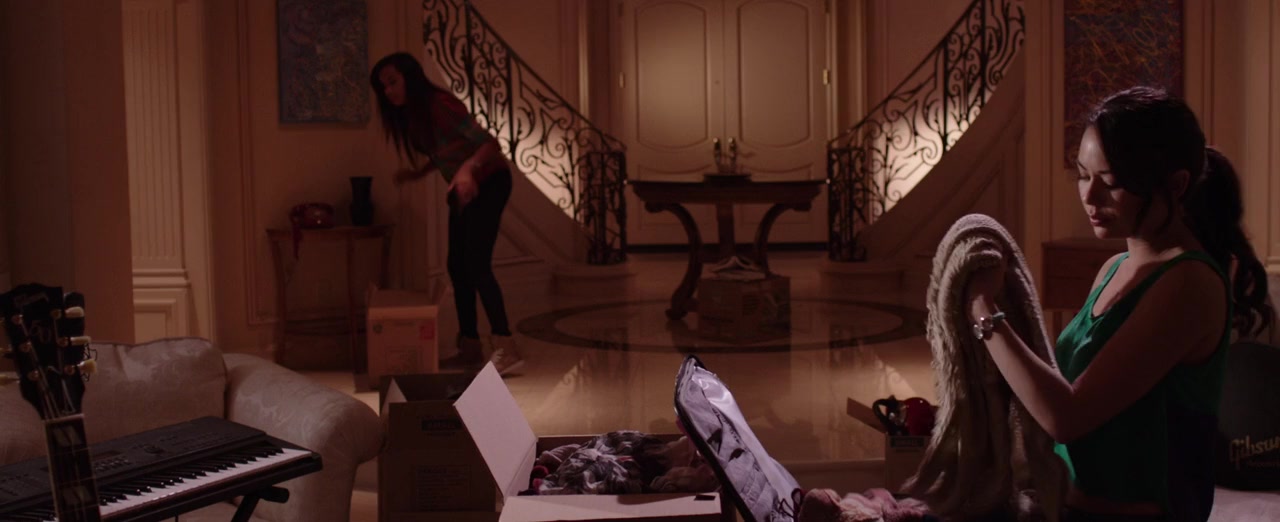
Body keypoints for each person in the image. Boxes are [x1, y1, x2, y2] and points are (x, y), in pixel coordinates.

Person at [964, 86, 1273, 521]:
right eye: (1082, 175)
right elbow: (1059, 386)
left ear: (1177, 185)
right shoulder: (1113, 268)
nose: (1089, 197)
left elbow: (1066, 415)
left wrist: (982, 309)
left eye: (1110, 183)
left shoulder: (1189, 283)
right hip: (1062, 506)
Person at [370, 52, 524, 376]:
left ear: (410, 77)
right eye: (383, 87)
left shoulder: (439, 104)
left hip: (489, 181)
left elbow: (488, 144)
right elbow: (447, 149)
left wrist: (468, 170)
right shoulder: (414, 115)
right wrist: (418, 173)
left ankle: (507, 347)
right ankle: (470, 346)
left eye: (393, 82)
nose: (388, 91)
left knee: (476, 263)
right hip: (462, 187)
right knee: (457, 265)